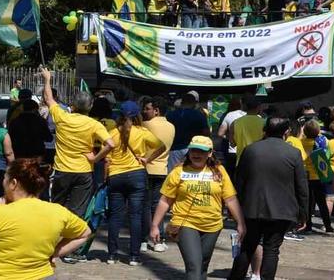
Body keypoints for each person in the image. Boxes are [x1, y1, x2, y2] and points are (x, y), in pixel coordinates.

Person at [0, 159, 91, 279]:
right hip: (43, 275)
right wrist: (55, 252)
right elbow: (85, 233)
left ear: (13, 183)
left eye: (5, 178)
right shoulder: (57, 211)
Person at [151, 136, 245, 280]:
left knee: (202, 266)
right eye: (193, 150)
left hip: (213, 225)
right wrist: (155, 225)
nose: (196, 154)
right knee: (194, 266)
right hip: (185, 223)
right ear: (188, 152)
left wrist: (240, 223)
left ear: (209, 153)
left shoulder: (219, 171)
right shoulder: (178, 171)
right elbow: (165, 200)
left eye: (201, 151)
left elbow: (230, 199)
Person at [229, 118, 309, 280]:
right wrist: (303, 212)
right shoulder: (293, 153)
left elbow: (239, 182)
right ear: (286, 132)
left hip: (252, 208)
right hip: (282, 210)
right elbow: (301, 186)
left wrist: (235, 209)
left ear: (265, 129)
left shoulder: (250, 150)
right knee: (271, 249)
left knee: (248, 246)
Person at [42, 68, 115, 220]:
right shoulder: (94, 124)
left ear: (73, 105)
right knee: (77, 213)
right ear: (90, 107)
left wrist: (47, 79)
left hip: (62, 170)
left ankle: (55, 238)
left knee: (57, 208)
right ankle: (72, 241)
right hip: (84, 172)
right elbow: (111, 144)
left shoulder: (62, 117)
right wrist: (95, 159)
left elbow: (48, 99)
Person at [105, 101, 164, 266]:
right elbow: (161, 146)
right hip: (136, 175)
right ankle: (134, 256)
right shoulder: (142, 132)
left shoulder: (112, 133)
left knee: (115, 217)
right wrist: (147, 159)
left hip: (116, 176)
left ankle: (111, 255)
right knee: (135, 216)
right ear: (138, 115)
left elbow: (107, 159)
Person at [140, 96, 176, 253]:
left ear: (156, 110)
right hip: (162, 170)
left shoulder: (145, 125)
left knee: (145, 206)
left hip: (145, 167)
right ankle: (158, 239)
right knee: (159, 206)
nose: (144, 111)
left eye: (147, 109)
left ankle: (142, 239)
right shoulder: (172, 127)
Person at [301, 118, 333, 235]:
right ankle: (327, 224)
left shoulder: (302, 142)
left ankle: (308, 225)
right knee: (321, 202)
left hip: (306, 175)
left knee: (308, 203)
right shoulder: (323, 141)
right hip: (319, 175)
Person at [167, 92, 210, 170]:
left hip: (174, 149)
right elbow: (206, 133)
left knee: (173, 174)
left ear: (182, 102)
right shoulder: (199, 115)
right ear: (194, 103)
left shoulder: (170, 114)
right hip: (193, 149)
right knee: (190, 172)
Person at [229, 95, 264, 162]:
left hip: (242, 161)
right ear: (258, 107)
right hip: (260, 161)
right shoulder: (264, 123)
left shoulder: (235, 123)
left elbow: (232, 144)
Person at [216, 97, 245, 180]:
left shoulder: (228, 115)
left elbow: (220, 133)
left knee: (231, 173)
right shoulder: (253, 116)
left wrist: (230, 138)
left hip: (232, 150)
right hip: (248, 150)